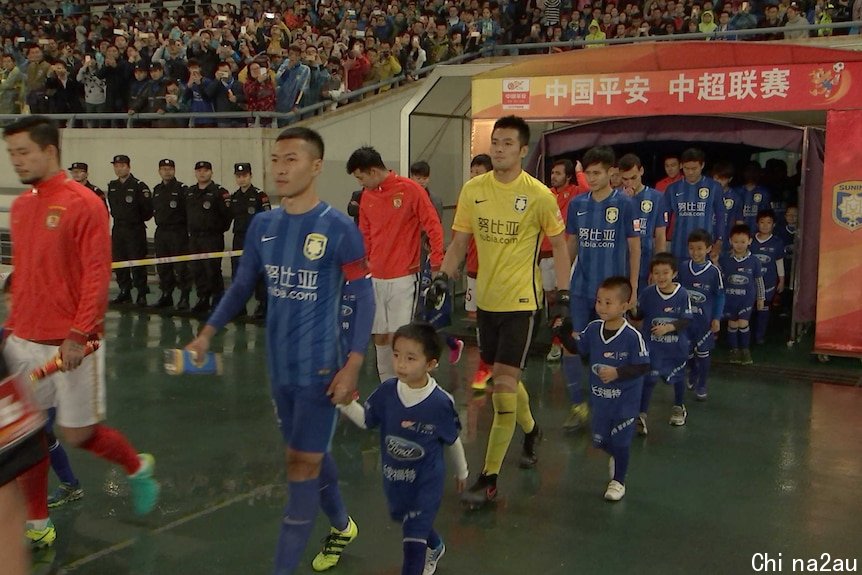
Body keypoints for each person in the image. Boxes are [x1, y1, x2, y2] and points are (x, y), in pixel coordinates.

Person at [185, 127, 374, 575]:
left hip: (321, 370)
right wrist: (208, 331)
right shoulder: (263, 225)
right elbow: (243, 283)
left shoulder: (340, 228)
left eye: (291, 159)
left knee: (300, 468)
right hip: (279, 370)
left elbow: (362, 296)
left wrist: (353, 364)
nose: (281, 168)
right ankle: (343, 525)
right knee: (307, 453)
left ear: (315, 166)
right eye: (276, 159)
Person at [2, 116, 159, 550]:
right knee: (27, 439)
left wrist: (78, 334)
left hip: (72, 345)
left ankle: (137, 467)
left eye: (23, 152)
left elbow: (96, 273)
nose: (15, 161)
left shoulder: (84, 203)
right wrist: (10, 331)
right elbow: (27, 277)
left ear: (49, 150)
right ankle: (38, 522)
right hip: (22, 342)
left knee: (78, 435)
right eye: (10, 153)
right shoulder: (21, 207)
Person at [429, 115, 570, 508]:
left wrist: (562, 293)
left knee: (502, 390)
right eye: (496, 141)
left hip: (522, 305)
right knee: (503, 384)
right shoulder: (474, 190)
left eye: (508, 143)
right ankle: (531, 430)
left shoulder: (539, 195)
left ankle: (488, 479)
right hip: (485, 304)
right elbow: (459, 243)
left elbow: (559, 245)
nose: (499, 148)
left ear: (524, 150)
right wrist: (444, 276)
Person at [338, 323, 468, 575]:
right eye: (396, 355)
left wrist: (462, 471)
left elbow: (452, 439)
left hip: (426, 482)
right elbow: (367, 420)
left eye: (411, 358)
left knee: (412, 540)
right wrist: (344, 404)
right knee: (409, 520)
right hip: (395, 479)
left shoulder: (441, 403)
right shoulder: (387, 392)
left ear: (430, 364)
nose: (400, 364)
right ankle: (436, 544)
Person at [347, 146, 444, 383]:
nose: (360, 183)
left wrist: (437, 265)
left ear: (371, 171)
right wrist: (361, 269)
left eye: (361, 177)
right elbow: (365, 234)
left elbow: (433, 225)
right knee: (379, 337)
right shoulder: (367, 196)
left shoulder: (411, 190)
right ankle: (387, 386)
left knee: (400, 339)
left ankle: (407, 389)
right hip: (375, 278)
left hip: (403, 278)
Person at [562, 146, 640, 433]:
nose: (592, 178)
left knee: (609, 351)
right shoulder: (578, 204)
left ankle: (610, 407)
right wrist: (562, 285)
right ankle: (577, 405)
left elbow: (634, 247)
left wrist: (632, 287)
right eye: (589, 173)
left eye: (598, 173)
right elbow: (570, 244)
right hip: (581, 290)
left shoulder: (625, 203)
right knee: (572, 345)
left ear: (611, 173)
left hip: (612, 294)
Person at [557, 277, 649, 501]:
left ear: (624, 306)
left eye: (609, 303)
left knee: (622, 441)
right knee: (601, 442)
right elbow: (579, 348)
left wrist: (618, 373)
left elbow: (643, 366)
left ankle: (618, 480)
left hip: (625, 402)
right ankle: (616, 457)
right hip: (600, 401)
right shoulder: (593, 329)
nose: (601, 307)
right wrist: (561, 332)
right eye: (599, 301)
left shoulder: (632, 337)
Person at [409, 160, 464, 364]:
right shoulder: (407, 196)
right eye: (416, 177)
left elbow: (435, 230)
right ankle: (444, 344)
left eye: (423, 177)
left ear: (428, 178)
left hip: (428, 258)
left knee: (426, 309)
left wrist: (440, 261)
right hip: (410, 257)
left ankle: (441, 347)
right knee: (416, 312)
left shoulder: (435, 200)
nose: (419, 181)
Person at [635, 252, 693, 432]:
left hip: (675, 347)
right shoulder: (647, 293)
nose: (661, 277)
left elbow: (686, 320)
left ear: (674, 273)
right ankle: (641, 415)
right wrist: (630, 310)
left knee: (677, 377)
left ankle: (678, 406)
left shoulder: (682, 294)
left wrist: (668, 328)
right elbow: (640, 315)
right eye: (657, 273)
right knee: (649, 379)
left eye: (665, 272)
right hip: (652, 347)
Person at [542, 158, 588, 362]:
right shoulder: (546, 194)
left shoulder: (576, 193)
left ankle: (564, 343)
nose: (554, 176)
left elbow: (589, 190)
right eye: (552, 173)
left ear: (568, 177)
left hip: (565, 254)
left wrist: (579, 172)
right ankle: (555, 340)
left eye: (559, 173)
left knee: (565, 299)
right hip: (543, 254)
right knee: (550, 299)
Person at [675, 227, 725, 403]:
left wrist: (717, 318)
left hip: (704, 323)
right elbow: (675, 292)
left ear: (709, 248)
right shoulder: (682, 268)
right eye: (691, 248)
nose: (695, 252)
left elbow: (720, 296)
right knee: (686, 352)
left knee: (703, 353)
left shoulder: (714, 272)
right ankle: (692, 372)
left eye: (699, 248)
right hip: (685, 321)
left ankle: (702, 384)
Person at [186, 160, 232, 315]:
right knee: (197, 270)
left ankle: (218, 300)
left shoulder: (219, 192)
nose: (202, 173)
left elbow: (227, 216)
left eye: (205, 170)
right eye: (199, 171)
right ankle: (203, 299)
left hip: (212, 238)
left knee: (212, 269)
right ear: (195, 173)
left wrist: (216, 230)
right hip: (195, 238)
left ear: (211, 172)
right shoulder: (191, 192)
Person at [107, 154, 154, 306]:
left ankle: (141, 293)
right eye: (116, 166)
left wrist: (135, 220)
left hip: (135, 229)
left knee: (137, 262)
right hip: (118, 229)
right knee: (120, 262)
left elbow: (147, 210)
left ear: (128, 167)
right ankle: (124, 291)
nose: (119, 169)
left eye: (122, 166)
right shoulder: (112, 186)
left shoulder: (139, 186)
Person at [618, 153, 668, 294]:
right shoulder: (615, 198)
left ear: (641, 171)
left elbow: (660, 236)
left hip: (645, 262)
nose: (629, 183)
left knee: (641, 308)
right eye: (625, 179)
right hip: (619, 263)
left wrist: (658, 268)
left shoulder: (656, 197)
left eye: (633, 178)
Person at [665, 148, 725, 263]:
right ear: (681, 166)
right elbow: (664, 221)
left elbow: (720, 216)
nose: (690, 172)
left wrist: (719, 241)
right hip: (679, 247)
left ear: (702, 165)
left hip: (705, 249)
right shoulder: (672, 189)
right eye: (687, 168)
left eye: (694, 168)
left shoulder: (714, 187)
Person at [464, 154, 494, 390]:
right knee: (476, 316)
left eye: (479, 171)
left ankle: (490, 362)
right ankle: (484, 362)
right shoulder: (468, 196)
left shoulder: (498, 198)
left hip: (495, 270)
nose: (474, 175)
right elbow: (459, 236)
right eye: (472, 171)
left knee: (491, 315)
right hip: (474, 265)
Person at [230, 162, 272, 319]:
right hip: (239, 238)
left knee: (259, 273)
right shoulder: (234, 197)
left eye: (244, 176)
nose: (241, 179)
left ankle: (262, 304)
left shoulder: (260, 196)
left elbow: (268, 219)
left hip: (256, 239)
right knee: (238, 272)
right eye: (238, 176)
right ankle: (239, 305)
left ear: (250, 176)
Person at [719, 224, 765, 365]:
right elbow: (719, 276)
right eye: (736, 241)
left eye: (743, 242)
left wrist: (761, 298)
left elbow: (759, 280)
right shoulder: (725, 258)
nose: (739, 245)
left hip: (746, 299)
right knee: (732, 324)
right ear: (730, 241)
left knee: (743, 323)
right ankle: (734, 350)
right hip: (730, 298)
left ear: (749, 241)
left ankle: (745, 350)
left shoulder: (754, 261)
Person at [152, 158, 192, 310]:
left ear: (174, 170)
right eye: (163, 169)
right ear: (159, 171)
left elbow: (188, 212)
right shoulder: (157, 189)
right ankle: (166, 295)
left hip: (178, 232)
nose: (166, 171)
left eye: (169, 169)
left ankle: (184, 297)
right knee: (163, 267)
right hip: (161, 232)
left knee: (181, 267)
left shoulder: (182, 189)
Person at [751, 209, 785, 345]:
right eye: (762, 222)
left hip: (768, 283)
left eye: (768, 222)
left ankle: (760, 336)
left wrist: (781, 280)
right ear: (757, 223)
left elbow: (779, 262)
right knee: (749, 310)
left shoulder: (777, 242)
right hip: (750, 283)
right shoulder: (750, 241)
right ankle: (747, 334)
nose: (765, 225)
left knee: (764, 310)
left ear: (774, 225)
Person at [711, 161, 743, 254]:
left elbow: (739, 222)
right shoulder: (706, 195)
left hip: (726, 244)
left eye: (723, 179)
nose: (719, 182)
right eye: (716, 178)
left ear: (730, 179)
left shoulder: (735, 197)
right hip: (706, 242)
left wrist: (737, 243)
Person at [736, 161, 771, 232]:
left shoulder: (764, 192)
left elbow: (766, 214)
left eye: (754, 171)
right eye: (748, 171)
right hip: (739, 234)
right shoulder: (736, 191)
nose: (751, 174)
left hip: (758, 232)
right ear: (744, 172)